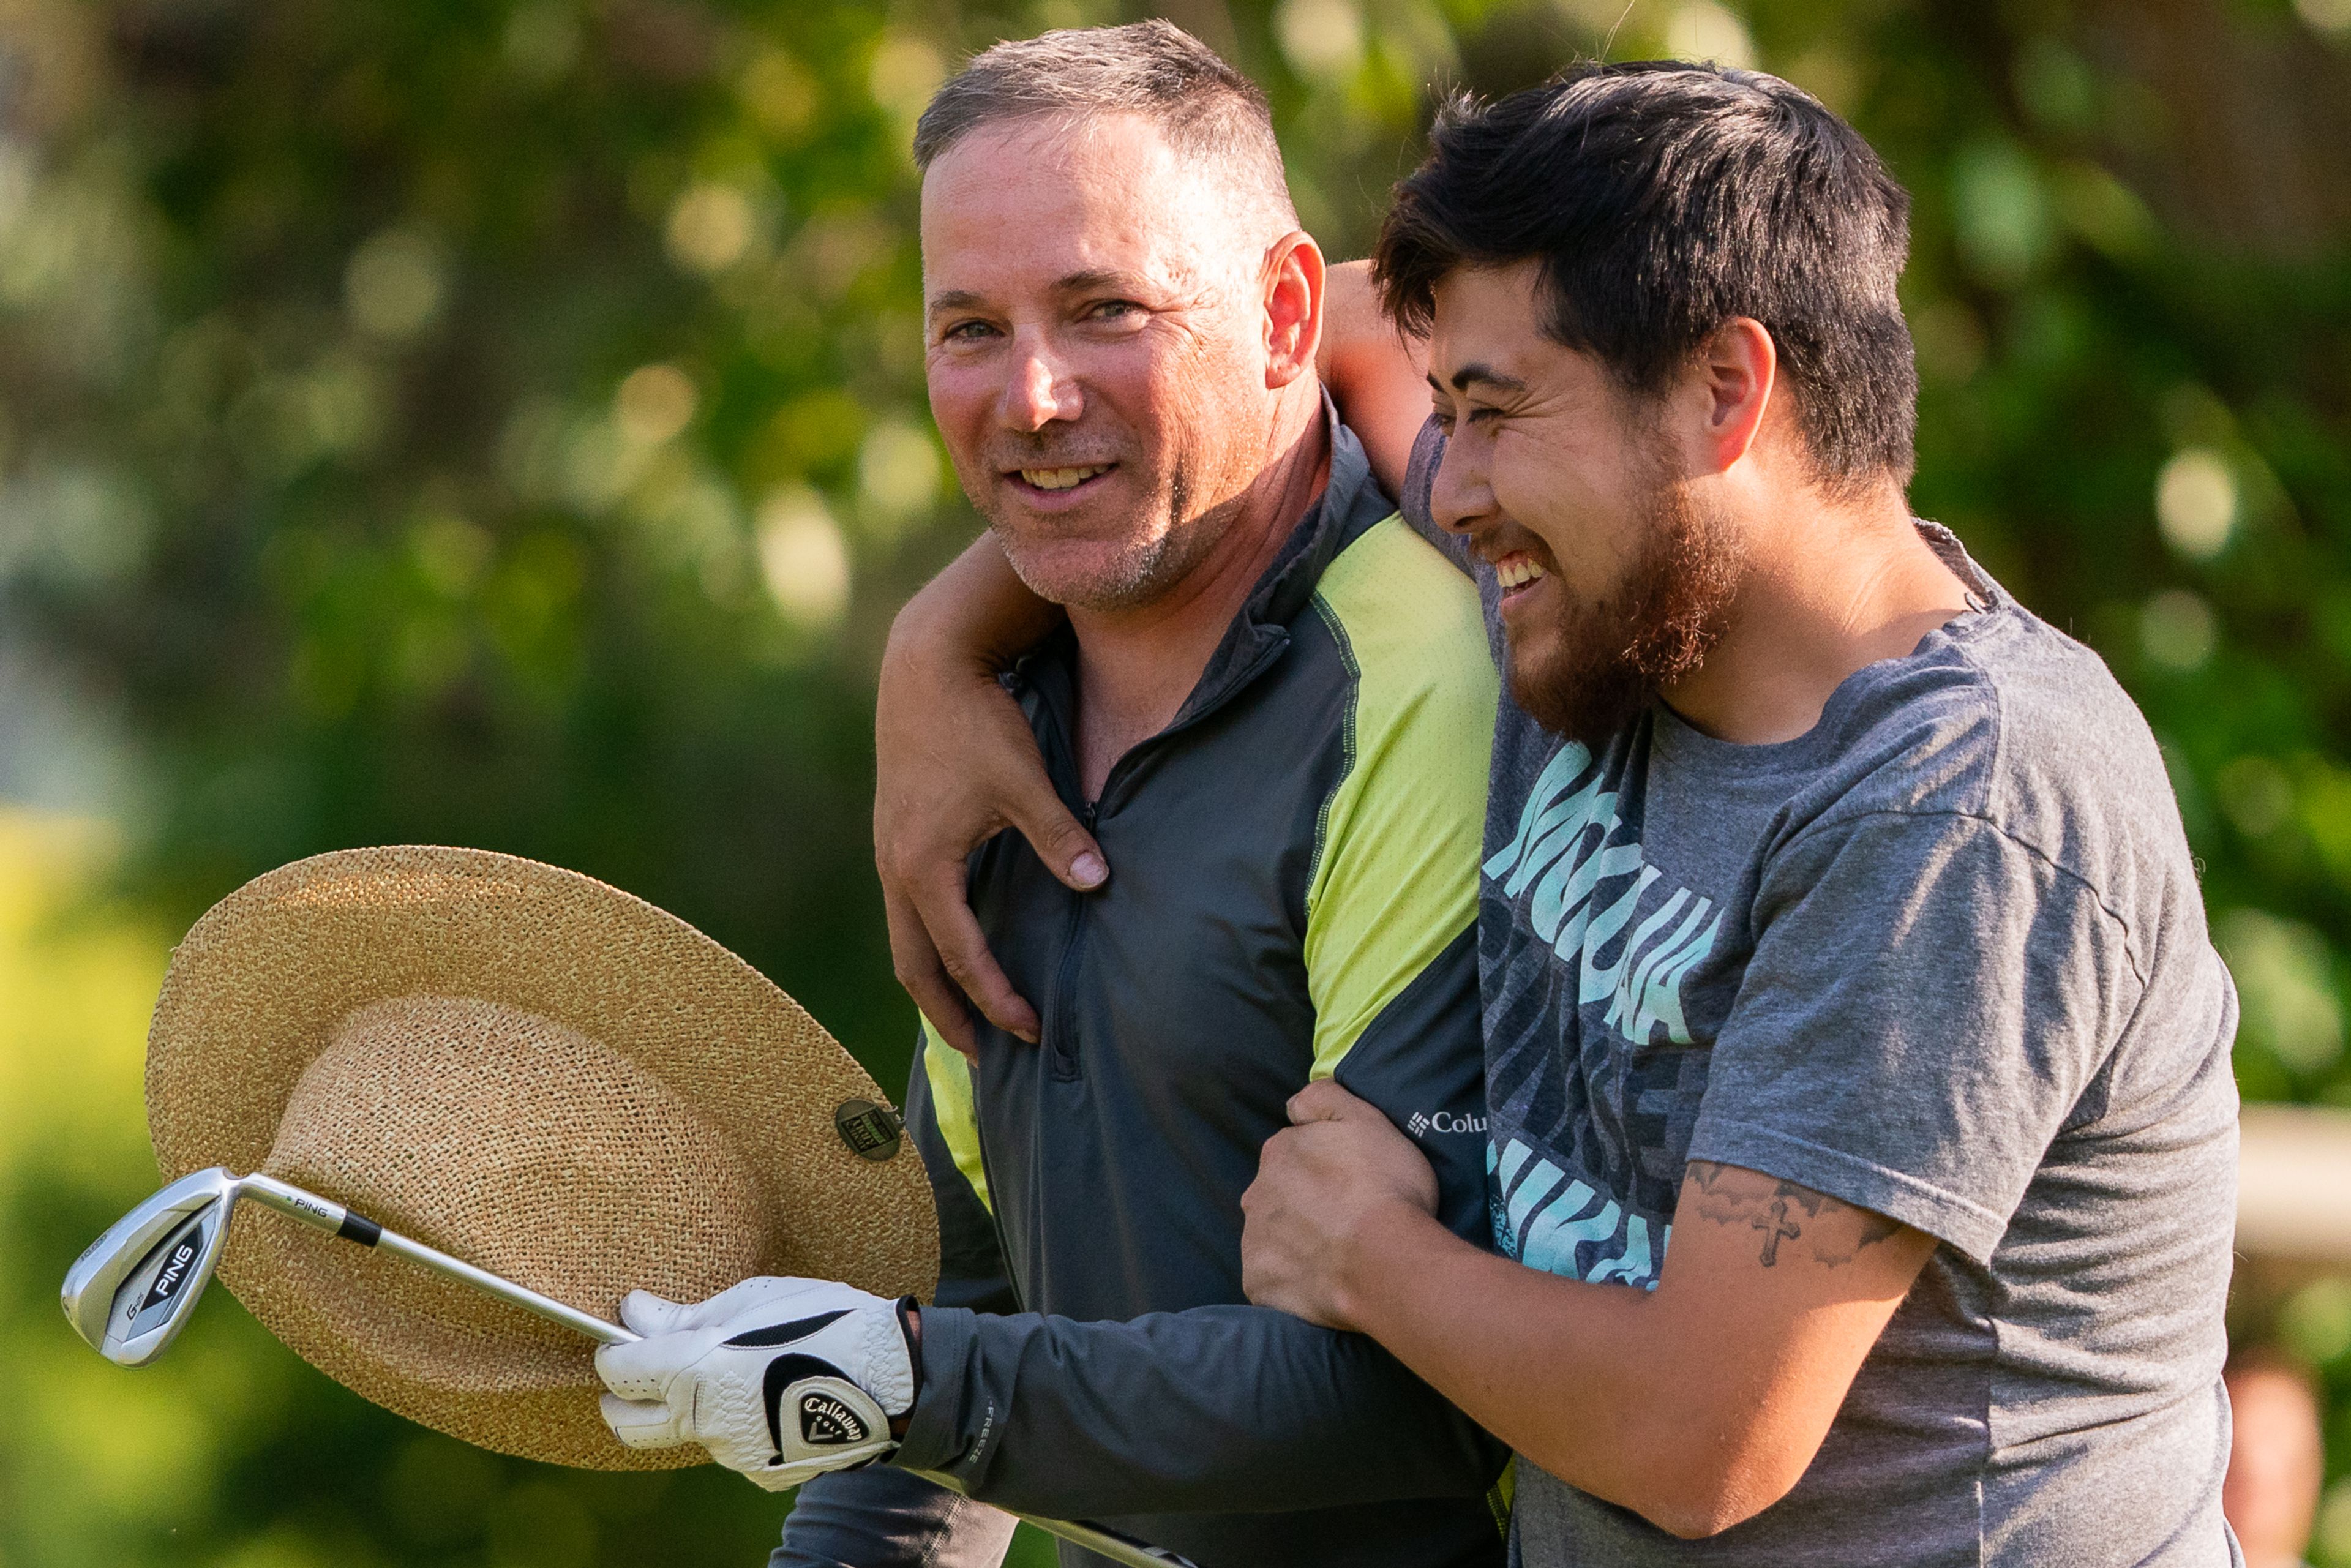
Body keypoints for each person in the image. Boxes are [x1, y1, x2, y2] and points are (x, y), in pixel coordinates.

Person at [866, 61, 2244, 1567]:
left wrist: (1376, 1258)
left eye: (1496, 410)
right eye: (1442, 407)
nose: (1448, 490)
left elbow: (1700, 1441)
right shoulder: (1596, 614)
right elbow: (1225, 343)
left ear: (1725, 392)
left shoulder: (1953, 809)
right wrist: (937, 647)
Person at [593, 22, 1508, 1568]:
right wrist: (895, 1389)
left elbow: (1416, 1402)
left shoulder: (1431, 676)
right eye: (968, 329)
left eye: (1106, 311)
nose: (1029, 397)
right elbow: (970, 1308)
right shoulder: (988, 722)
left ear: (1287, 313)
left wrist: (899, 1381)